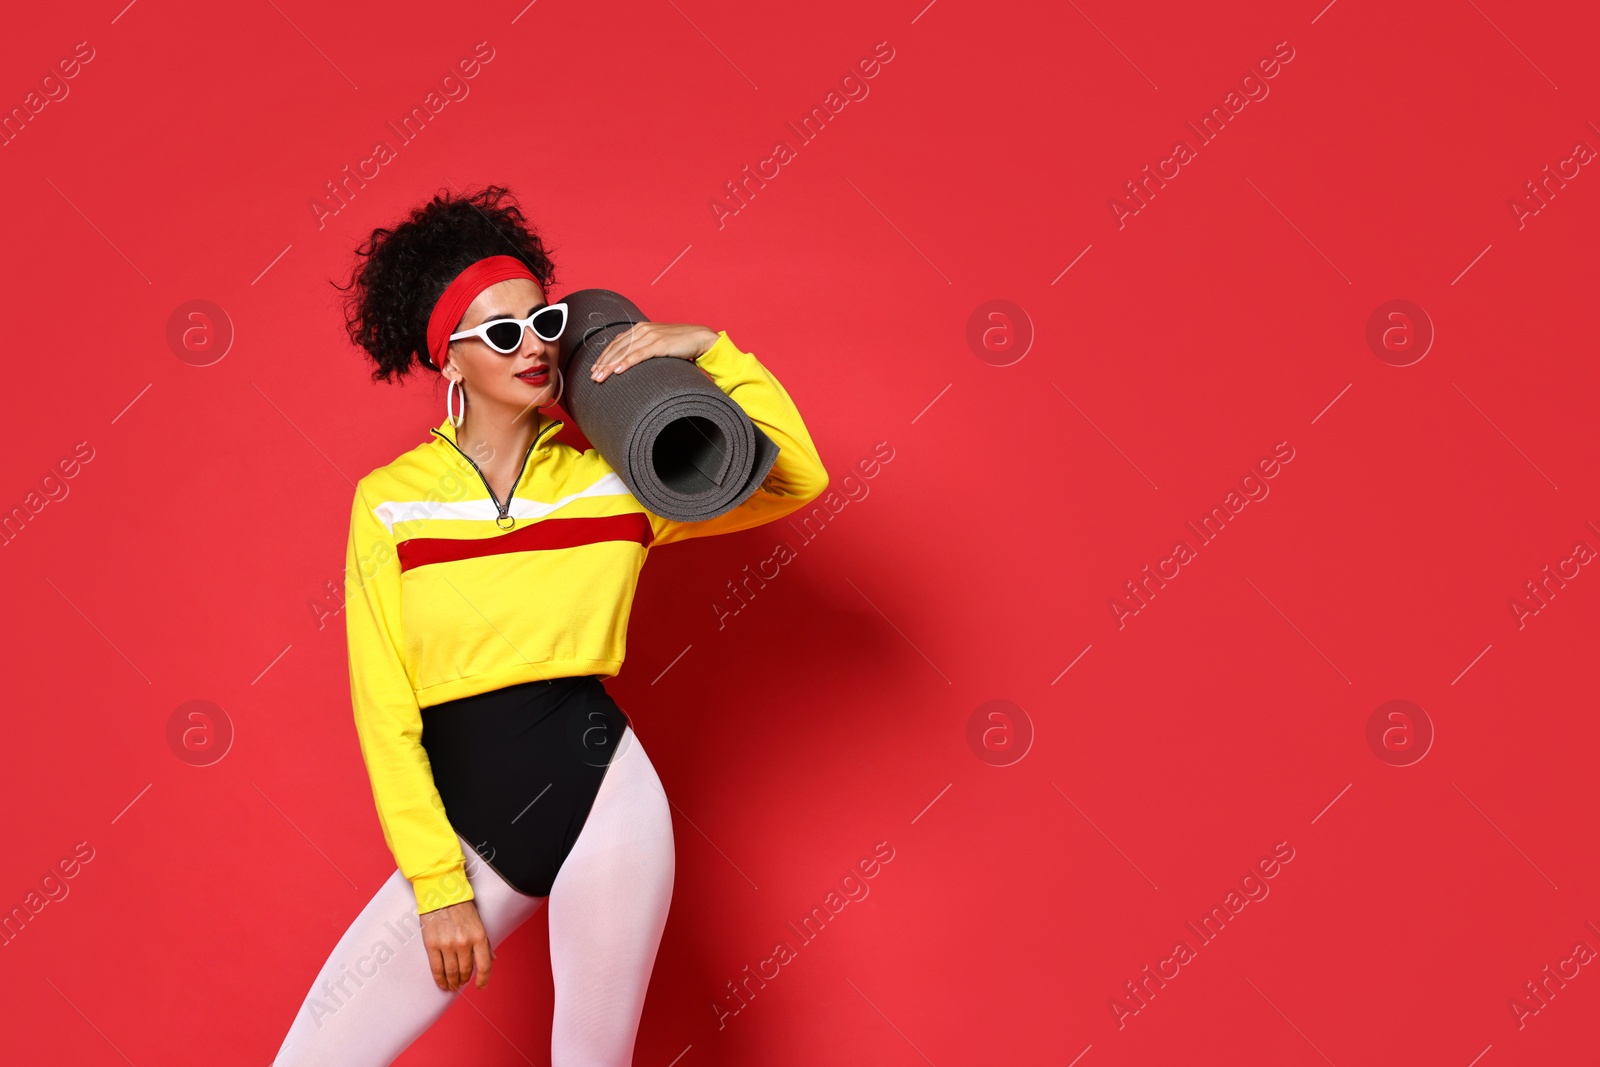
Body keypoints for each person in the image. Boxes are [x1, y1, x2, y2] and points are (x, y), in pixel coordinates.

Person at [272, 184, 829, 1065]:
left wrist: (713, 351)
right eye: (501, 332)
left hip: (608, 797)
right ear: (447, 360)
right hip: (471, 826)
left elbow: (794, 477)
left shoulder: (614, 475)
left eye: (543, 321)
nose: (532, 347)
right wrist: (435, 882)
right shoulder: (389, 505)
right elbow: (383, 708)